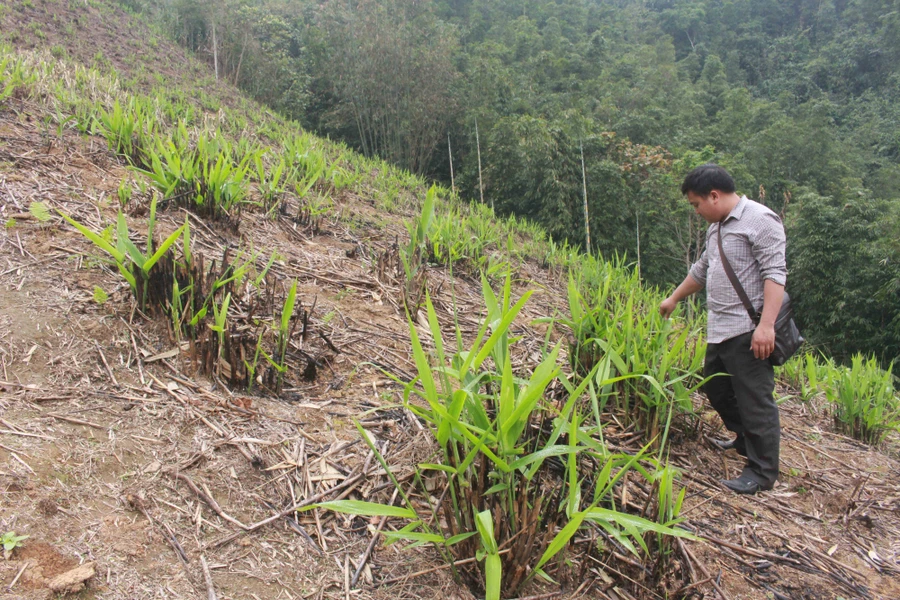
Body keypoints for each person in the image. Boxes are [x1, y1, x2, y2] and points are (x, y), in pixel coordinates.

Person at [660, 164, 787, 495]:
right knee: (715, 388)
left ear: (713, 196)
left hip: (749, 329)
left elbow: (775, 273)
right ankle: (745, 438)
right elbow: (703, 268)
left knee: (755, 400)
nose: (697, 211)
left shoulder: (761, 220)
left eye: (696, 204)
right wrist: (674, 298)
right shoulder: (716, 227)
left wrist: (766, 327)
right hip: (721, 328)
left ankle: (761, 472)